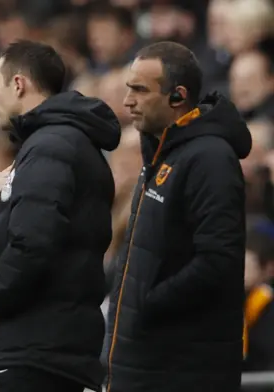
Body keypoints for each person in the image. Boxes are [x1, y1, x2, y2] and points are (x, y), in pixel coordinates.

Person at [104, 41, 252, 392]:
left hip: (180, 370)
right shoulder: (162, 151)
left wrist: (148, 305)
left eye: (140, 90)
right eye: (128, 88)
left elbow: (218, 260)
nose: (128, 101)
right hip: (144, 364)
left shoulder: (210, 158)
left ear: (178, 96)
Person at [0, 40, 122, 392]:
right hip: (53, 345)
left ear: (19, 85)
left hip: (36, 350)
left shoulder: (50, 146)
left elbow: (33, 241)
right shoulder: (60, 143)